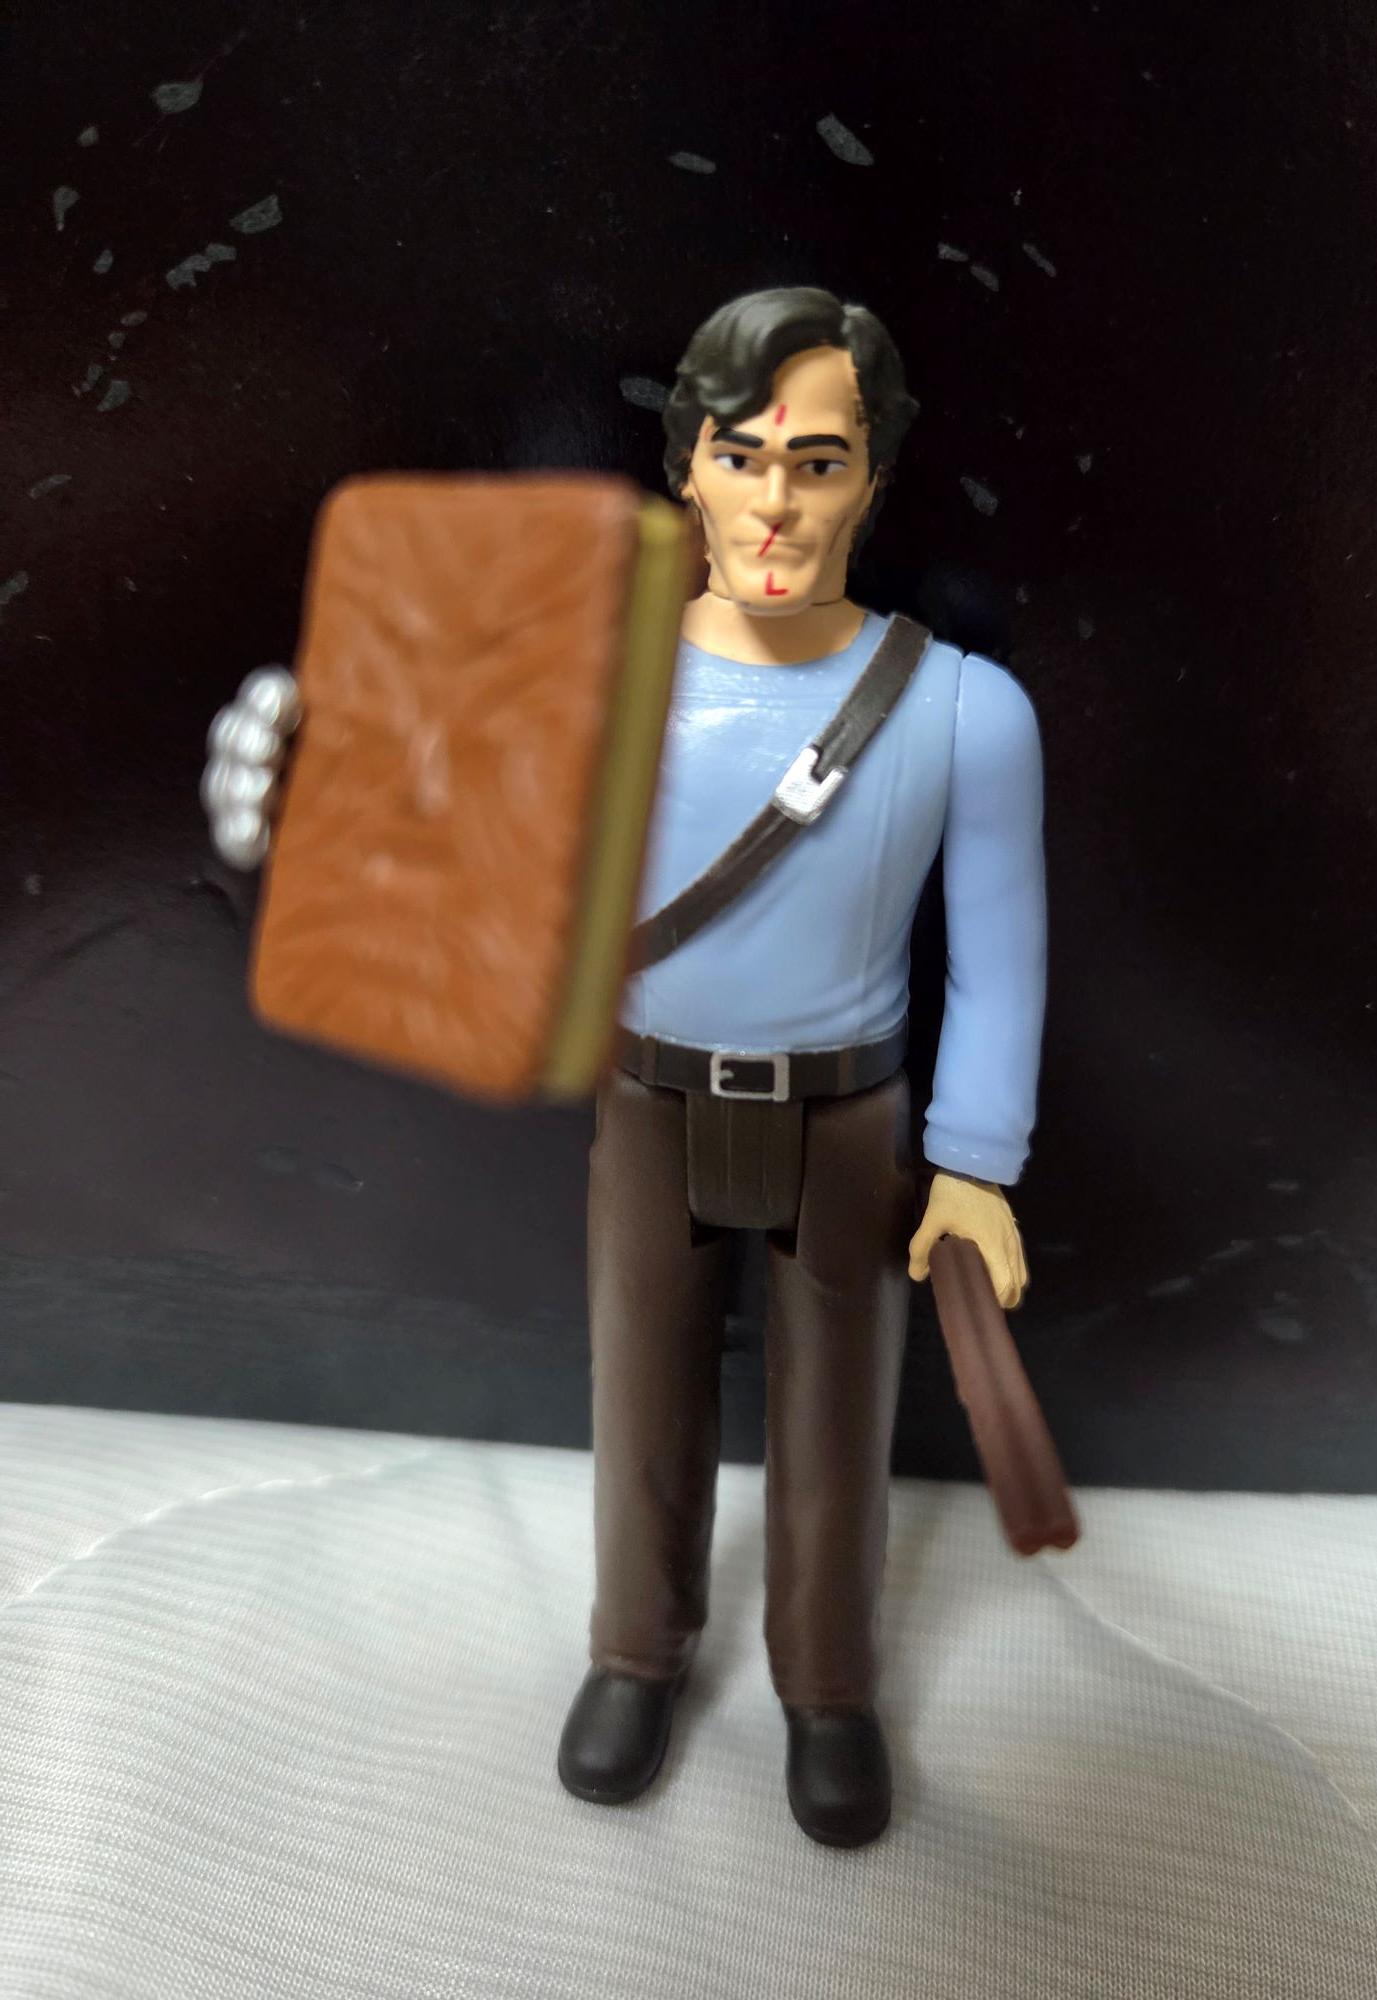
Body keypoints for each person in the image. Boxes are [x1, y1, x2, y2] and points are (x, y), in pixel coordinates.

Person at [204, 287, 1046, 1849]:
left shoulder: (959, 709)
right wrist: (307, 775)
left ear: (873, 476)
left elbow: (999, 956)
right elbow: (438, 809)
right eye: (741, 456)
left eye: (818, 461)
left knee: (839, 1416)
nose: (776, 502)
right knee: (640, 1390)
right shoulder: (597, 676)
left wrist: (977, 1161)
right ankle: (634, 1655)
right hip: (650, 1095)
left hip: (848, 1117)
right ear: (687, 470)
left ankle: (829, 1687)